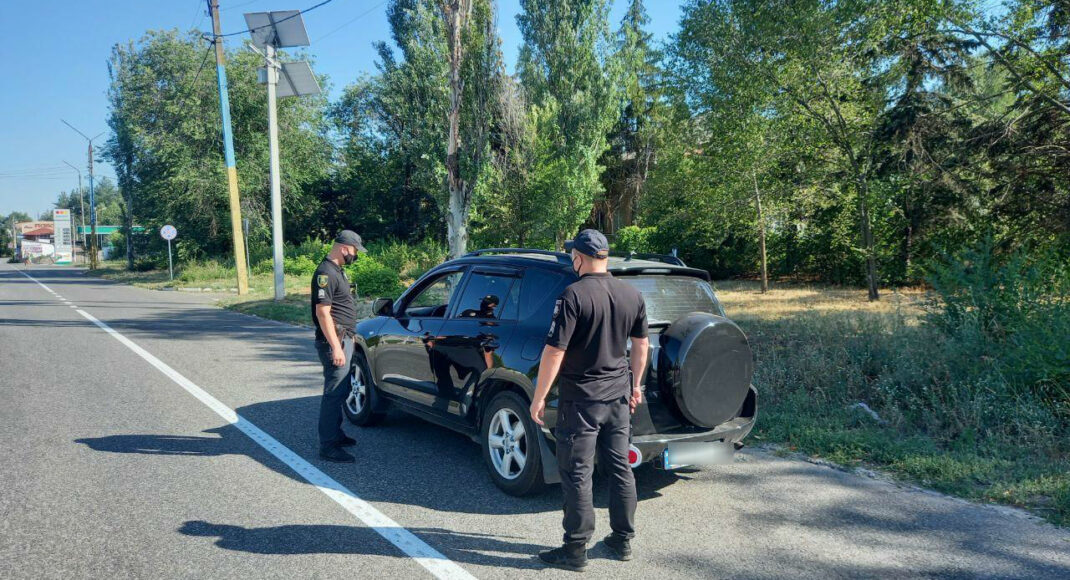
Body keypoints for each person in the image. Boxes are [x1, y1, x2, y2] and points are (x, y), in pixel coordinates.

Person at [529, 229, 650, 572]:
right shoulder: (631, 293)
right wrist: (636, 385)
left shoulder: (573, 295)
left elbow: (555, 350)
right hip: (618, 397)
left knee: (578, 472)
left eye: (572, 255)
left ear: (580, 258)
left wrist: (538, 399)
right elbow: (641, 344)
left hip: (581, 401)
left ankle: (575, 550)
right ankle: (622, 540)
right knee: (620, 467)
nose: (571, 259)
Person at [311, 230, 367, 463]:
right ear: (345, 248)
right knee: (333, 393)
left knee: (342, 389)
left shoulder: (337, 271)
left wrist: (349, 338)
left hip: (344, 337)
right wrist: (336, 347)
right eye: (355, 251)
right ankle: (328, 446)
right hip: (335, 340)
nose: (356, 255)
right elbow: (322, 312)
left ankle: (336, 434)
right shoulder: (325, 273)